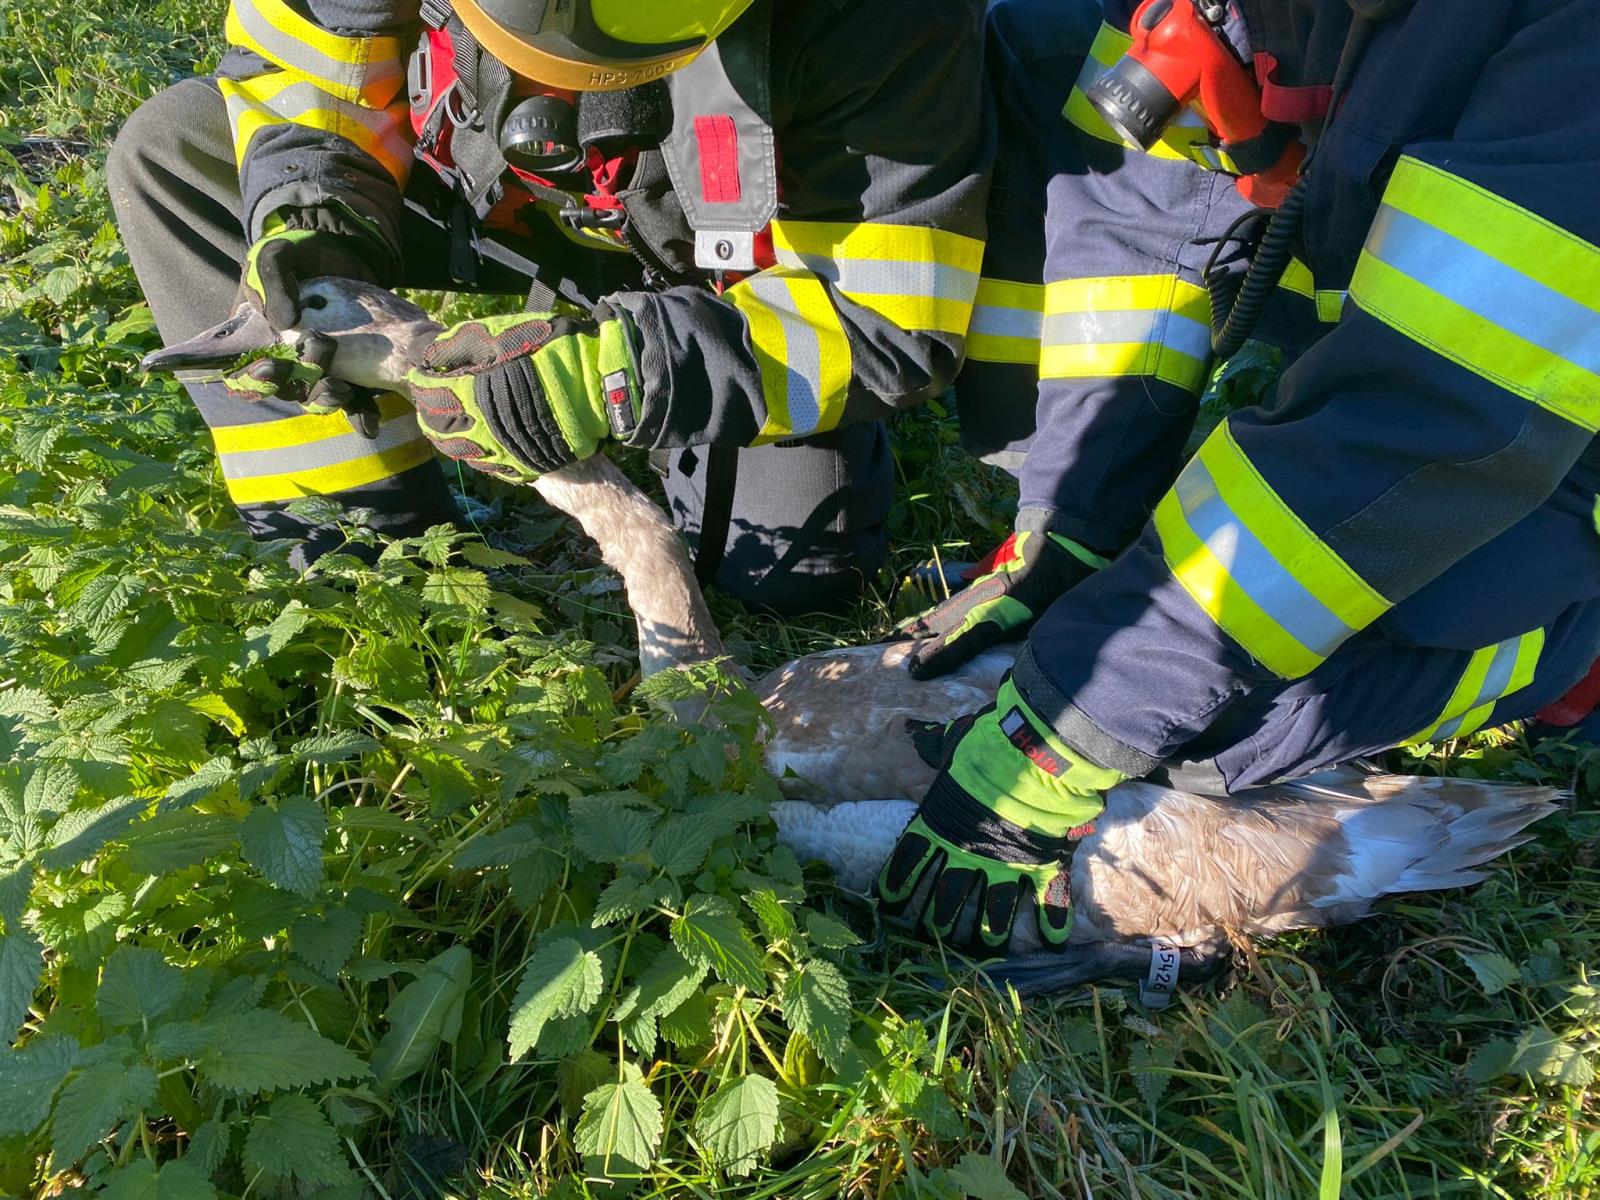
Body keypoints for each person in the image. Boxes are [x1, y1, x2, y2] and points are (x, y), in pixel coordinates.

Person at [881, 0, 1600, 954]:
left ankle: (1572, 660)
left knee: (1222, 719)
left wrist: (1071, 730)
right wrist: (1075, 522)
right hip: (1422, 400)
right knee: (1160, 673)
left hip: (1528, 446)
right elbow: (1139, 237)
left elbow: (1430, 429)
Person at [109, 0, 992, 613]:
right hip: (479, 204)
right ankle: (360, 559)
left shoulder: (890, 20)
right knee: (176, 149)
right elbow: (302, 68)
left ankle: (670, 364)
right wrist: (313, 221)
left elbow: (885, 313)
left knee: (787, 567)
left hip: (721, 274)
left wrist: (610, 378)